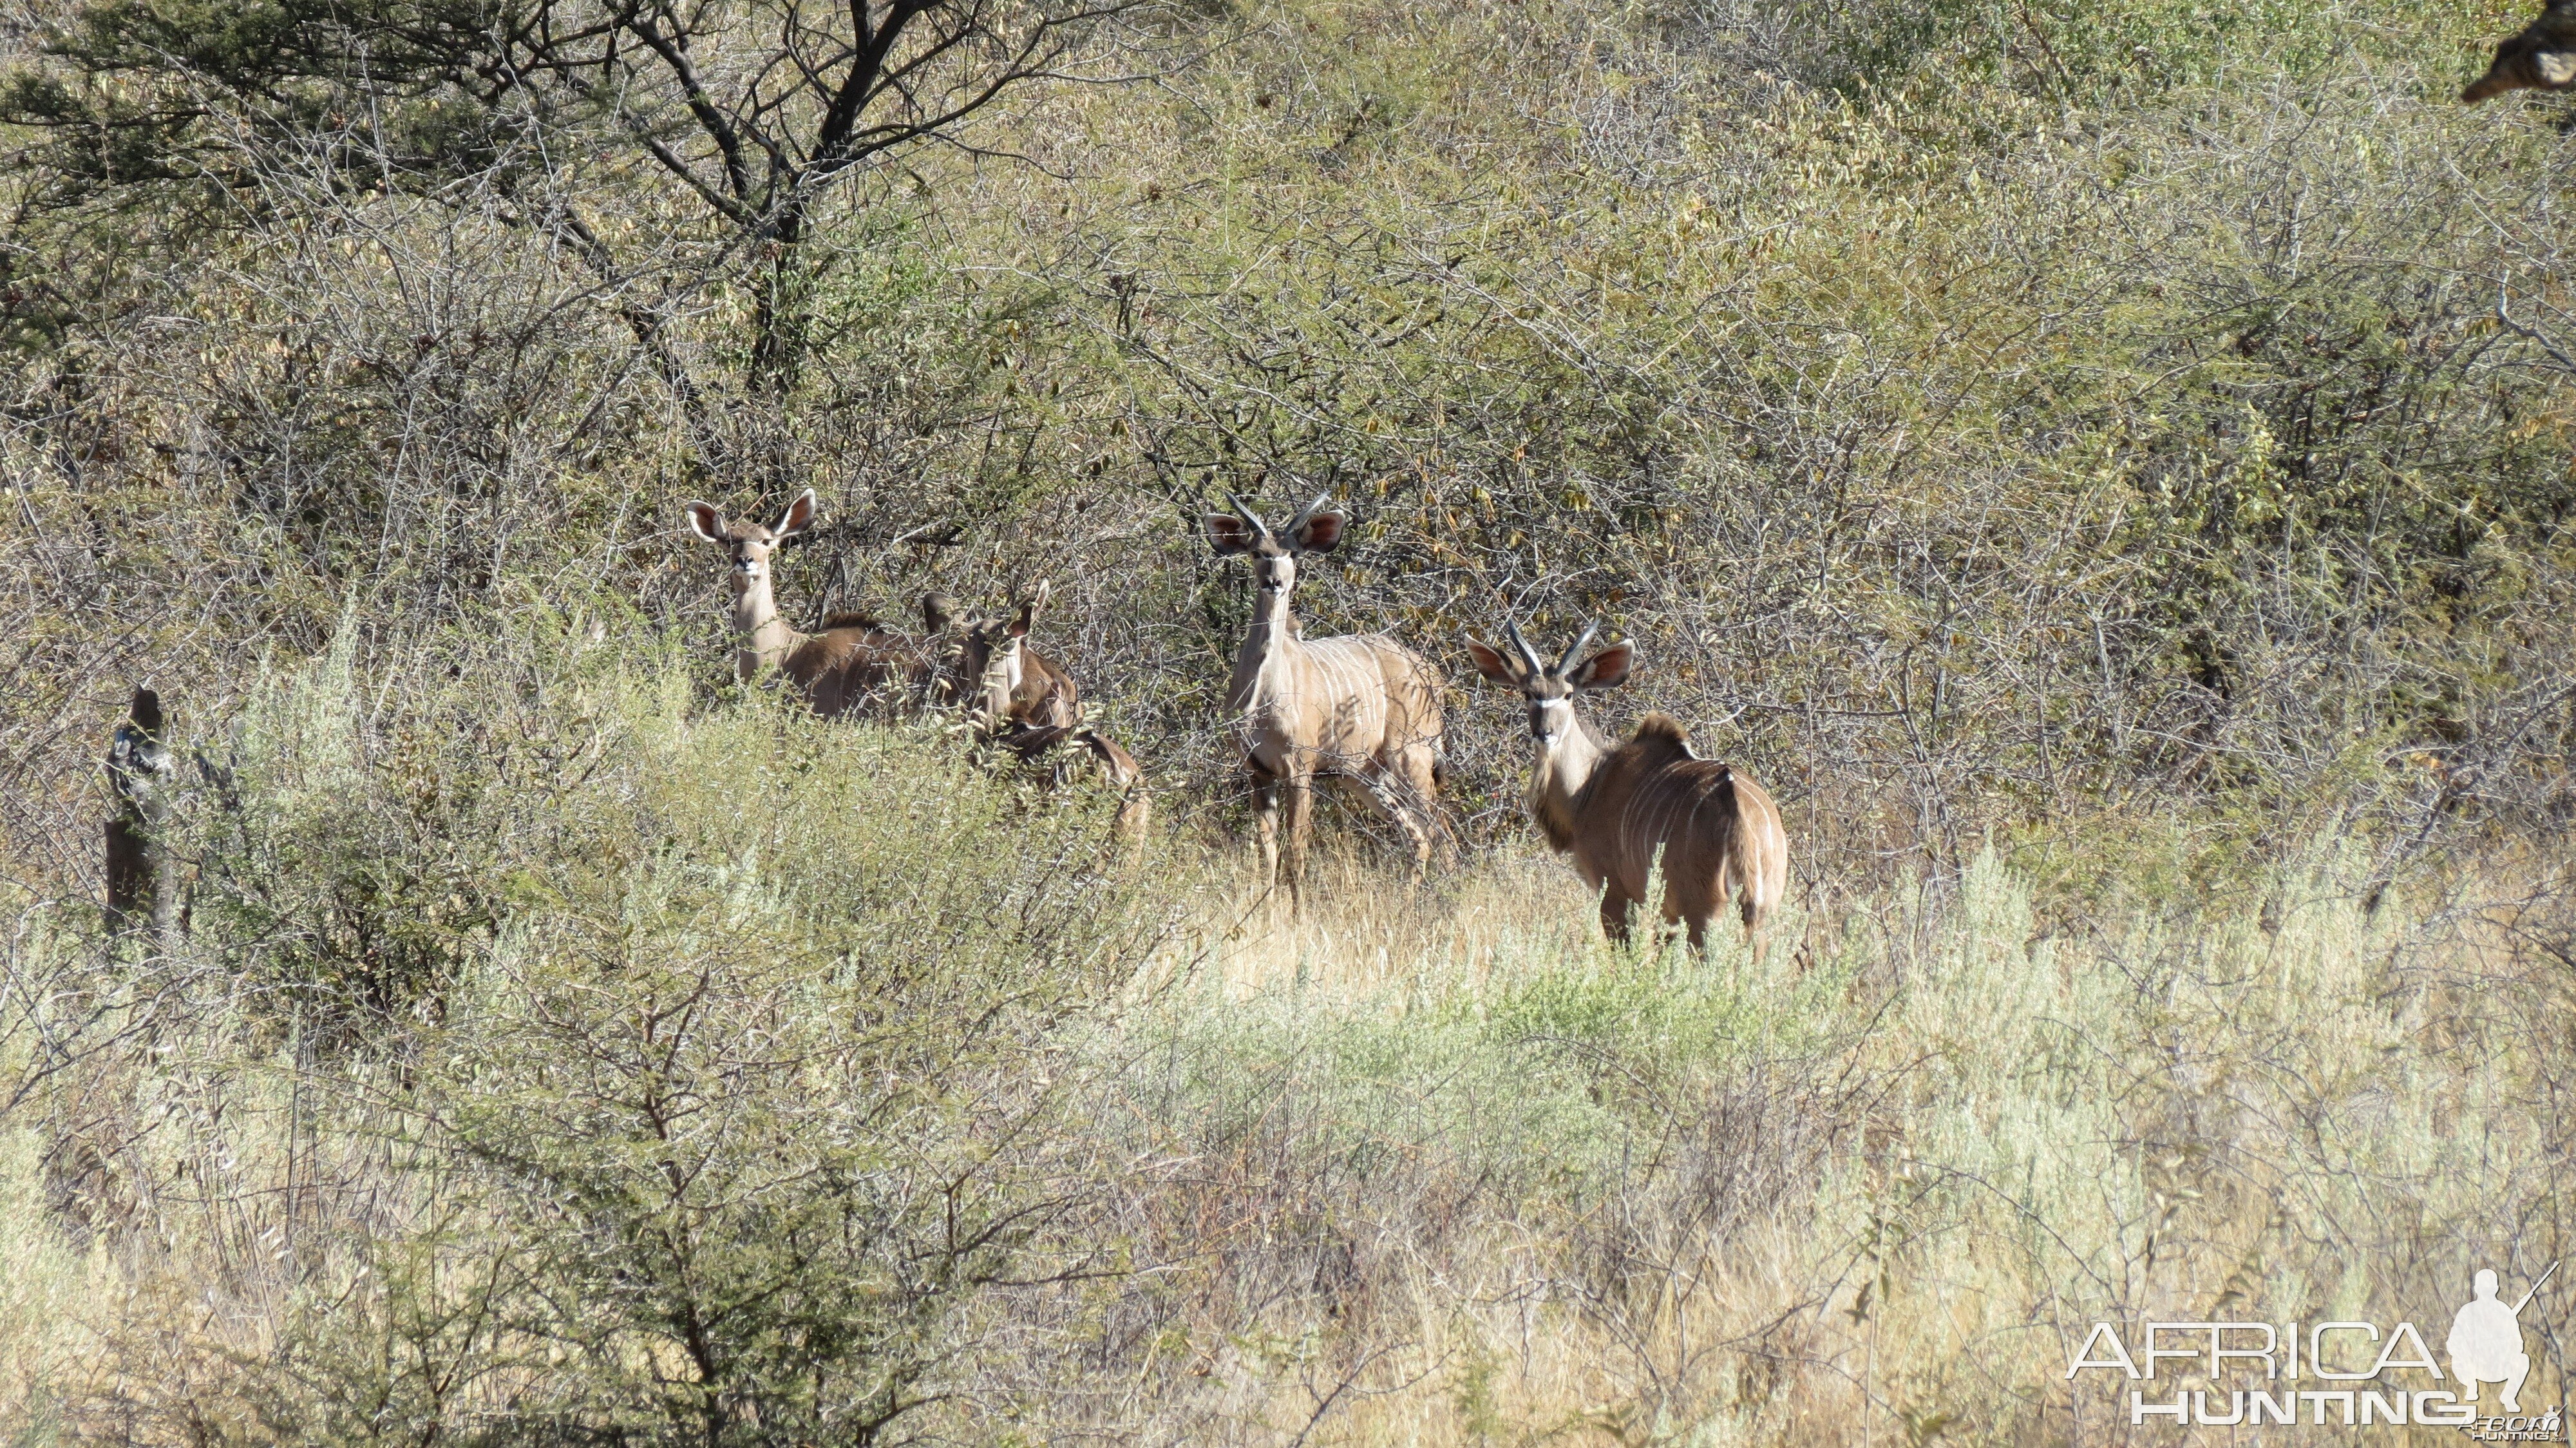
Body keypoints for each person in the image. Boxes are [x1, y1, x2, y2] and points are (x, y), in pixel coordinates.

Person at [2449, 1269, 2532, 1413]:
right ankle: (2471, 1386)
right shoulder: (2467, 1311)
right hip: (2473, 1368)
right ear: (2477, 1290)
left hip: (2498, 1367)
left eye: (2488, 1289)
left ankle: (2509, 1396)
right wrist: (2471, 1349)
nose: (2486, 1293)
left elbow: (2518, 1344)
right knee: (2459, 1357)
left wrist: (2501, 1347)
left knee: (2523, 1360)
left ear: (2496, 1289)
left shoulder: (2505, 1312)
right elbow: (2452, 1344)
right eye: (2484, 1289)